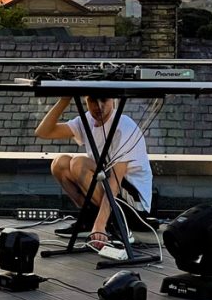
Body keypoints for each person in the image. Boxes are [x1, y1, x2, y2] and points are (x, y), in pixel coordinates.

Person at [35, 95, 152, 251]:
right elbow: (43, 132)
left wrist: (100, 224)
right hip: (108, 193)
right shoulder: (87, 121)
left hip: (133, 207)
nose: (99, 106)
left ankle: (114, 226)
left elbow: (115, 181)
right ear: (85, 100)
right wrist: (65, 99)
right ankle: (89, 218)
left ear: (113, 99)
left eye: (104, 100)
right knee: (60, 163)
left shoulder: (124, 126)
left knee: (78, 163)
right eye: (92, 101)